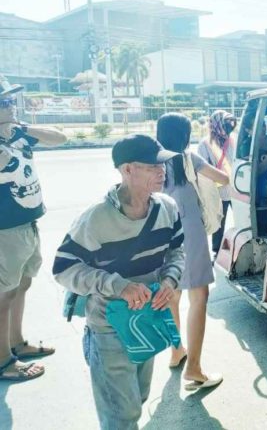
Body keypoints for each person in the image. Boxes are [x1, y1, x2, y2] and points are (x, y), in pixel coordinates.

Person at [53, 134, 184, 429]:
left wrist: (170, 280)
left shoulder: (167, 208)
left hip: (147, 319)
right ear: (127, 170)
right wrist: (118, 286)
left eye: (163, 165)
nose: (162, 171)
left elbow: (177, 250)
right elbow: (63, 269)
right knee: (120, 417)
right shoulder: (95, 220)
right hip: (109, 329)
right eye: (152, 166)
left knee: (137, 399)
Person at [0, 77, 67, 382]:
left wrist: (21, 129)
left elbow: (59, 138)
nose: (11, 106)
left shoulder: (18, 134)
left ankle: (16, 342)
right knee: (3, 294)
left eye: (11, 100)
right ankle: (3, 361)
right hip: (5, 230)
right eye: (4, 102)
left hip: (27, 224)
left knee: (23, 284)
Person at [156, 113, 229, 390]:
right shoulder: (188, 159)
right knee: (199, 295)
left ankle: (177, 350)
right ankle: (194, 368)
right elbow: (223, 179)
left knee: (172, 292)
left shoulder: (153, 162)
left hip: (161, 233)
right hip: (189, 231)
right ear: (185, 136)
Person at [197, 110, 236, 253]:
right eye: (226, 123)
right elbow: (203, 169)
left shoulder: (233, 140)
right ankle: (217, 250)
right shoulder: (205, 144)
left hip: (235, 188)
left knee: (242, 220)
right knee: (218, 222)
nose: (230, 127)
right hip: (217, 190)